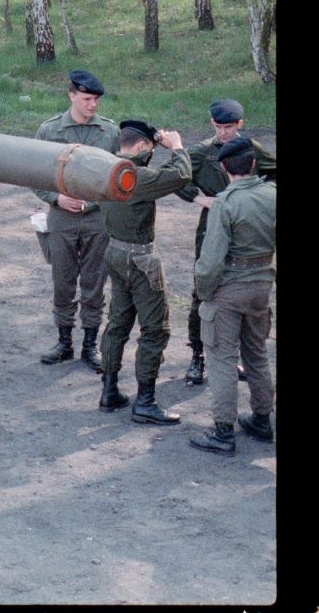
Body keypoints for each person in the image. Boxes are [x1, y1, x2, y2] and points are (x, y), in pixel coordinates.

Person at [97, 120, 190, 424]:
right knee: (155, 329)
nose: (151, 155)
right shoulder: (136, 175)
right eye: (149, 150)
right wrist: (175, 147)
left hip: (114, 252)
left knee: (118, 322)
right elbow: (180, 175)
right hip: (141, 259)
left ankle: (109, 391)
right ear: (140, 147)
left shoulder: (106, 167)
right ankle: (145, 402)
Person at [188, 136, 278, 454]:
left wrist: (205, 293)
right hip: (261, 285)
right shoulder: (272, 194)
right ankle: (263, 419)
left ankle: (223, 431)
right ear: (253, 163)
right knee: (256, 354)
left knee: (222, 358)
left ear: (225, 168)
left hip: (229, 289)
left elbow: (210, 260)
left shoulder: (225, 203)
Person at [177, 99, 276, 384]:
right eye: (219, 127)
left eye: (229, 127)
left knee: (239, 291)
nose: (224, 133)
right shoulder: (202, 152)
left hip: (245, 231)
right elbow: (177, 176)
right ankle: (197, 357)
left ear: (240, 124)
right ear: (212, 124)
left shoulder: (251, 149)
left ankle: (234, 359)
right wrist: (198, 198)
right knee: (203, 292)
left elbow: (273, 170)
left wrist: (260, 199)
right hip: (211, 229)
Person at [33, 70, 119, 372]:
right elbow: (33, 173)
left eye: (96, 100)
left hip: (97, 219)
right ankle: (64, 341)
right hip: (62, 218)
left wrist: (93, 201)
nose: (92, 105)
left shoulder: (109, 133)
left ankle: (90, 344)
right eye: (86, 99)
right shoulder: (50, 131)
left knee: (95, 281)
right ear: (72, 95)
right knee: (63, 280)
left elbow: (118, 178)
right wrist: (56, 199)